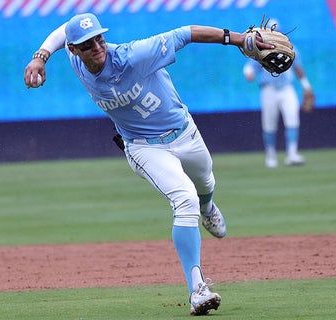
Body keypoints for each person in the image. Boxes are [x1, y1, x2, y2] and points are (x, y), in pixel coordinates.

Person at [24, 13, 274, 316]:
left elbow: (186, 33)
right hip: (143, 147)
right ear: (73, 50)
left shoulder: (134, 55)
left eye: (99, 38)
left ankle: (208, 208)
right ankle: (198, 289)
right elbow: (64, 31)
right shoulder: (75, 59)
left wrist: (238, 39)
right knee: (184, 199)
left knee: (206, 184)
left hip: (184, 132)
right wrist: (40, 57)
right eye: (87, 44)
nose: (97, 46)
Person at [243, 21, 314, 168]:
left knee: (292, 118)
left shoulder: (291, 48)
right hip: (268, 89)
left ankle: (292, 154)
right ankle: (271, 156)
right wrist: (248, 73)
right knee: (269, 123)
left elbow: (298, 68)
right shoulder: (261, 49)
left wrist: (306, 87)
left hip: (286, 88)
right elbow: (250, 66)